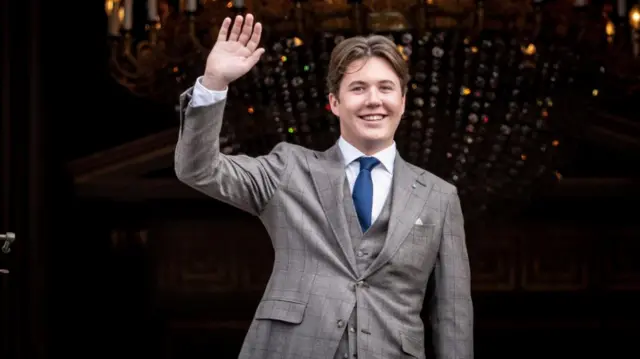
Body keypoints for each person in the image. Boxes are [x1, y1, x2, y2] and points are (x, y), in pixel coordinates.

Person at [175, 13, 473, 359]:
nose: (373, 100)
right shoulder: (288, 169)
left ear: (403, 102)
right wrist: (213, 83)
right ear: (334, 102)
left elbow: (452, 315)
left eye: (386, 88)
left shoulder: (440, 197)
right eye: (358, 88)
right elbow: (198, 169)